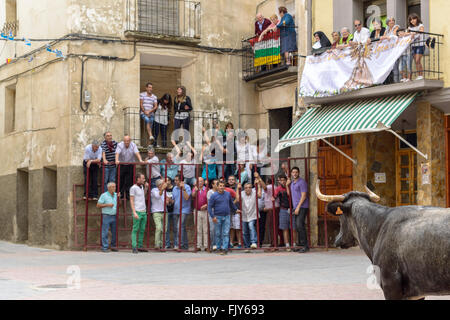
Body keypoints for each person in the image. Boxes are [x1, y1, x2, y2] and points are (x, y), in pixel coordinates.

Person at [208, 181, 240, 255]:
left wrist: (235, 209)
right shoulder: (214, 196)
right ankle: (218, 248)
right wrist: (212, 217)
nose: (222, 187)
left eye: (223, 186)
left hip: (227, 216)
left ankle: (225, 248)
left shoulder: (227, 194)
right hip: (217, 216)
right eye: (220, 186)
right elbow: (209, 207)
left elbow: (231, 204)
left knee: (226, 233)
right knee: (218, 233)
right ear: (217, 187)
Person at [236, 175, 263, 250]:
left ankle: (253, 242)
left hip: (253, 214)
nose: (248, 189)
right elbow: (237, 199)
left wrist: (258, 186)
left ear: (252, 188)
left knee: (251, 227)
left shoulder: (254, 192)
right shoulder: (242, 193)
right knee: (244, 231)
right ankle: (247, 245)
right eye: (246, 188)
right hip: (244, 215)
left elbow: (260, 195)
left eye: (249, 187)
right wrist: (237, 189)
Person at [288, 167, 309, 253]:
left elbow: (304, 196)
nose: (295, 174)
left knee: (300, 225)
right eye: (293, 172)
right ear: (291, 173)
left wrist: (298, 207)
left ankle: (305, 245)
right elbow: (290, 194)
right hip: (296, 207)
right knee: (297, 226)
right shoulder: (292, 183)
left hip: (302, 207)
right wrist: (286, 185)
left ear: (299, 173)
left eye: (296, 172)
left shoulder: (302, 182)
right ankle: (300, 245)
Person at [115, 136, 144, 200]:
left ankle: (128, 195)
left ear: (130, 141)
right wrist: (116, 160)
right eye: (125, 141)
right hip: (122, 164)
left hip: (130, 165)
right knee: (120, 180)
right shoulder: (120, 145)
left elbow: (137, 153)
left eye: (128, 141)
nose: (126, 143)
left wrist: (140, 160)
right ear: (123, 141)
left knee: (130, 181)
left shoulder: (133, 145)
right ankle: (120, 195)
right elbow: (117, 153)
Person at [274, 175, 294, 251]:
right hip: (283, 209)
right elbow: (274, 196)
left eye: (284, 180)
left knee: (293, 228)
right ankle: (287, 245)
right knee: (284, 228)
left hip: (292, 208)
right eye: (281, 180)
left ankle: (294, 244)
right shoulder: (278, 189)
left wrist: (287, 186)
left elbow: (290, 195)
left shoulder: (291, 187)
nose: (282, 182)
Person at [130, 173, 149, 254]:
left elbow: (142, 196)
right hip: (137, 211)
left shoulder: (141, 187)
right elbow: (131, 200)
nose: (144, 179)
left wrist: (146, 189)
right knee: (135, 229)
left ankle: (140, 246)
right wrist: (134, 212)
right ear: (138, 179)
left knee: (142, 230)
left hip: (143, 211)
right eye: (143, 178)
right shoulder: (133, 188)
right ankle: (134, 246)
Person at [97, 182, 118, 252]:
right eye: (113, 187)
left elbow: (119, 204)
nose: (114, 188)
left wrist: (119, 198)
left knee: (114, 232)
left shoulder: (116, 195)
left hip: (114, 215)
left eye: (115, 187)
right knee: (105, 232)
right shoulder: (104, 195)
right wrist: (107, 205)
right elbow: (98, 205)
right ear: (108, 188)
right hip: (106, 216)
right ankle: (105, 247)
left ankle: (113, 246)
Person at [172, 175, 192, 250]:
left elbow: (187, 198)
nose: (175, 181)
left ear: (181, 181)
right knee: (180, 228)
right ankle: (185, 245)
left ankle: (179, 244)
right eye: (175, 180)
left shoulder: (187, 187)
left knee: (179, 226)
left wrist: (183, 189)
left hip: (184, 209)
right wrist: (169, 200)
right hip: (176, 210)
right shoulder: (174, 188)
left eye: (177, 180)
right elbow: (173, 199)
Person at [151, 179, 170, 249]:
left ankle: (162, 244)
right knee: (159, 228)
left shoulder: (165, 191)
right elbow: (158, 196)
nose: (164, 185)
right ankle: (157, 244)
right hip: (156, 212)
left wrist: (168, 200)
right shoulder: (154, 190)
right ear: (159, 185)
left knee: (164, 229)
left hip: (164, 211)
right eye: (162, 184)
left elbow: (168, 200)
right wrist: (162, 189)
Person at [192, 177, 209, 251]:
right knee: (198, 229)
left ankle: (206, 246)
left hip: (205, 211)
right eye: (199, 181)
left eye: (201, 181)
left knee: (205, 229)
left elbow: (210, 200)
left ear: (204, 182)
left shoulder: (207, 189)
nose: (200, 183)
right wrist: (195, 191)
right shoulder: (195, 189)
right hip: (197, 210)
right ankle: (198, 245)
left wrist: (206, 205)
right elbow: (193, 196)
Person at [382, 17, 401, 83]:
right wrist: (386, 37)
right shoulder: (387, 29)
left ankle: (397, 82)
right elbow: (383, 37)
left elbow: (394, 35)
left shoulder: (396, 27)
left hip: (396, 49)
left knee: (396, 67)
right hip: (389, 51)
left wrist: (387, 37)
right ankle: (393, 82)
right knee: (391, 67)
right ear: (387, 23)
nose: (392, 21)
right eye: (390, 21)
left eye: (393, 20)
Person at [408, 13, 425, 80]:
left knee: (418, 60)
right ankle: (419, 75)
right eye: (411, 20)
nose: (412, 20)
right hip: (413, 45)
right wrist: (409, 33)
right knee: (416, 61)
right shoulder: (410, 28)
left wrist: (413, 33)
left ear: (417, 19)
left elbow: (421, 31)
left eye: (414, 19)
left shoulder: (420, 25)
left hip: (420, 45)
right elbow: (407, 33)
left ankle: (421, 75)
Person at [227, 175, 242, 249]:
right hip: (229, 211)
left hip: (236, 210)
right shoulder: (226, 188)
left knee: (238, 228)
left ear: (235, 181)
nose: (231, 181)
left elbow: (238, 199)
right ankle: (231, 243)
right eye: (229, 179)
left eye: (232, 179)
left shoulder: (238, 188)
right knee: (231, 228)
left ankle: (239, 242)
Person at [164, 178, 176, 249]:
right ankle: (167, 244)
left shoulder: (174, 189)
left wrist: (171, 200)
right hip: (167, 210)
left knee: (175, 228)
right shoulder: (163, 189)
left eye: (168, 180)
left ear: (170, 181)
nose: (167, 182)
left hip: (174, 210)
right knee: (166, 228)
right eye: (165, 181)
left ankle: (176, 244)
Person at [207, 179, 219, 251]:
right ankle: (213, 244)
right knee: (212, 229)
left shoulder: (221, 191)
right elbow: (212, 202)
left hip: (220, 212)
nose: (217, 185)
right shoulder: (210, 192)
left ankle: (220, 245)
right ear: (213, 185)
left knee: (220, 229)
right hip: (212, 212)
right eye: (216, 184)